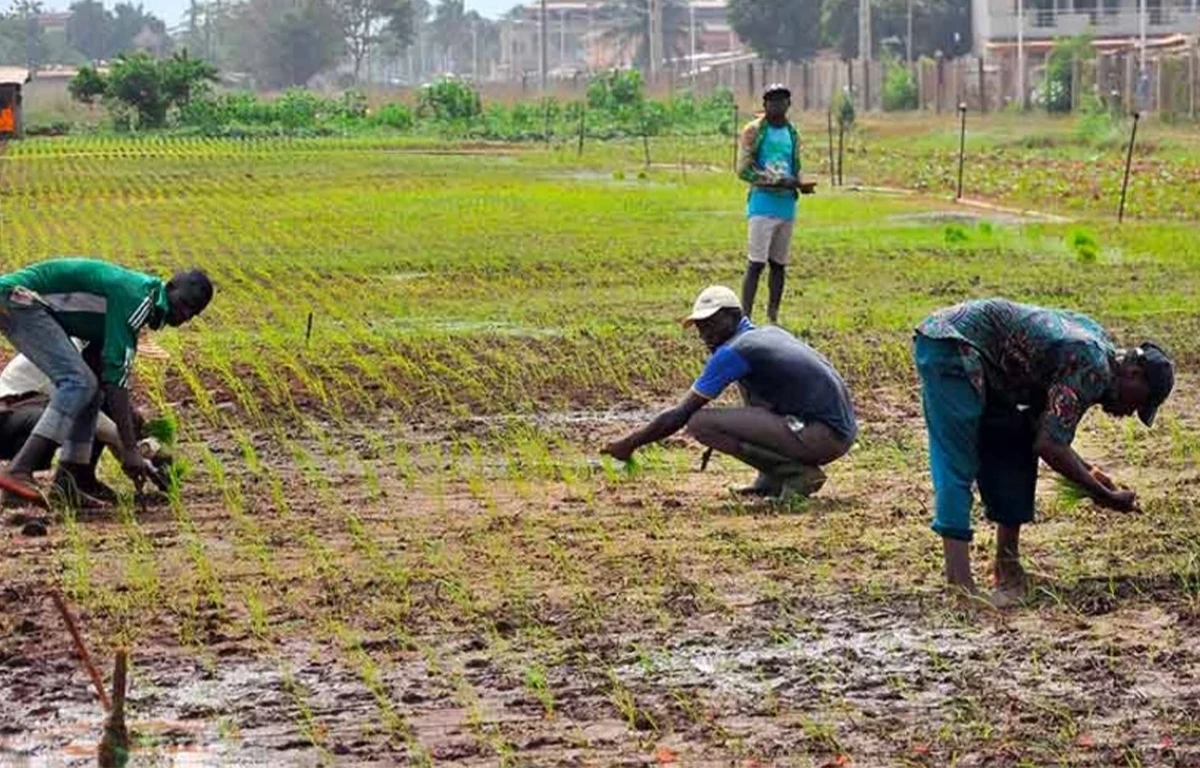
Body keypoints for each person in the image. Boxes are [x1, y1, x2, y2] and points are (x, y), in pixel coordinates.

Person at [914, 298, 1174, 600]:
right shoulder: (1091, 367)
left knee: (1016, 442)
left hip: (990, 364)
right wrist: (1104, 495)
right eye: (1141, 402)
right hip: (952, 343)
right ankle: (960, 588)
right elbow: (1050, 446)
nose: (1132, 412)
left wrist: (1090, 474)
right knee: (956, 461)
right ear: (1134, 374)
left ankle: (1007, 568)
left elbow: (1042, 430)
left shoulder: (1097, 351)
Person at [602, 285, 857, 499]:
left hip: (821, 436)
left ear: (734, 315)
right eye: (700, 327)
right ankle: (770, 479)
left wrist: (630, 443)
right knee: (749, 390)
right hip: (835, 432)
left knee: (701, 423)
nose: (705, 335)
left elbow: (680, 414)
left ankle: (797, 474)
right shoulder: (767, 334)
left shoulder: (734, 351)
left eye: (711, 324)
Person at [0, 258, 212, 507]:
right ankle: (19, 470)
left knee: (91, 389)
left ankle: (70, 481)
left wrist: (138, 446)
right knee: (79, 383)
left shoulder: (130, 302)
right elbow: (116, 379)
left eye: (193, 312)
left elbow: (100, 370)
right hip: (19, 300)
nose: (185, 314)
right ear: (171, 287)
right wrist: (130, 450)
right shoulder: (138, 299)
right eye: (184, 303)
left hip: (24, 303)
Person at [0, 343, 170, 506]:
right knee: (56, 420)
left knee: (114, 408)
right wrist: (133, 452)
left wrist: (144, 452)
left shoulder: (90, 353)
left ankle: (81, 481)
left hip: (31, 409)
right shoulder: (66, 352)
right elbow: (81, 415)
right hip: (10, 416)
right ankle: (17, 480)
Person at [736, 84, 807, 325]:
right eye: (772, 101)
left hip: (786, 206)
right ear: (765, 104)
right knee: (756, 263)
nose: (777, 105)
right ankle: (745, 317)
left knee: (779, 264)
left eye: (782, 101)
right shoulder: (754, 131)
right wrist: (775, 181)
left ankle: (772, 317)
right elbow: (743, 169)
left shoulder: (792, 133)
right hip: (762, 204)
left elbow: (795, 166)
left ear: (789, 104)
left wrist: (799, 183)